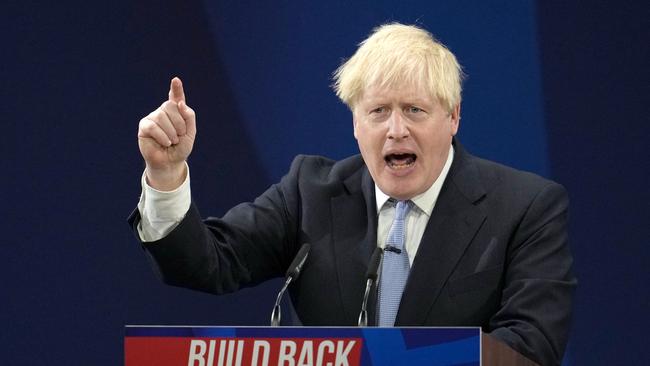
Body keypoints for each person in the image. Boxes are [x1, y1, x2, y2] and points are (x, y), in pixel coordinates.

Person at [129, 23, 576, 366]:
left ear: (453, 116)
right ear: (355, 123)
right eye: (378, 111)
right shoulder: (311, 192)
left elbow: (531, 348)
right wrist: (165, 175)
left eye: (415, 110)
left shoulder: (524, 208)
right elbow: (209, 264)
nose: (396, 130)